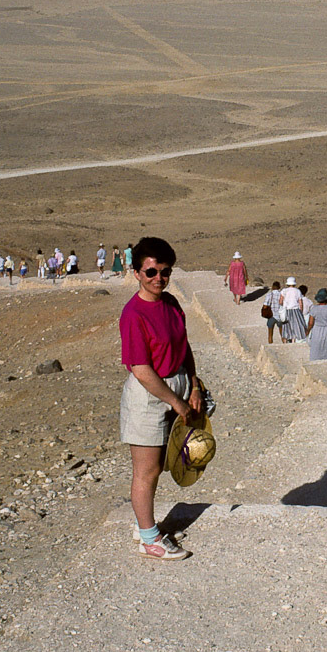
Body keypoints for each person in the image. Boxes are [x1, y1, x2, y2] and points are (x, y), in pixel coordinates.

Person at [119, 237, 207, 561]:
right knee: (147, 470)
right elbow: (141, 369)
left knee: (166, 464)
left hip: (178, 389)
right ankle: (149, 538)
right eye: (151, 272)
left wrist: (194, 387)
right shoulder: (133, 314)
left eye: (165, 272)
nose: (158, 279)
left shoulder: (171, 304)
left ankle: (147, 524)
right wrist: (176, 401)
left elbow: (185, 349)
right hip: (150, 397)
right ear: (137, 272)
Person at [307, 288, 327, 361]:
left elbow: (310, 323)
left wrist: (308, 331)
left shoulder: (314, 309)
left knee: (316, 346)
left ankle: (315, 360)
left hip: (317, 329)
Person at [280, 277, 307, 343]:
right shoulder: (298, 291)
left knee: (286, 326)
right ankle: (293, 341)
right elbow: (300, 303)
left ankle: (285, 341)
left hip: (287, 310)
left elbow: (280, 301)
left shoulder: (284, 291)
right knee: (296, 325)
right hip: (295, 310)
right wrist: (301, 311)